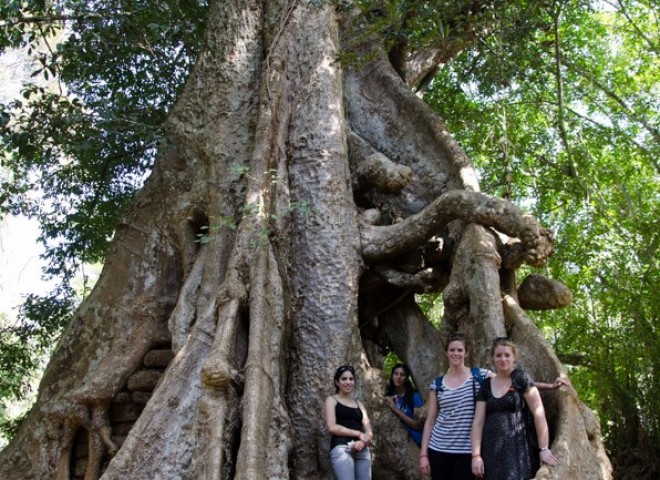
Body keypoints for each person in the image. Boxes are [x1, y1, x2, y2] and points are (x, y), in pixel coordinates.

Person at [470, 337, 570, 480]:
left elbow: (538, 413)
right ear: (492, 358)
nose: (503, 359)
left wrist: (544, 448)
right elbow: (478, 422)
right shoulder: (486, 385)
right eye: (498, 355)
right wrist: (476, 455)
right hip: (491, 449)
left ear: (514, 357)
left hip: (517, 448)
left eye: (507, 355)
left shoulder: (521, 378)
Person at [419, 333, 494, 480]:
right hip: (438, 448)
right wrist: (423, 454)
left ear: (466, 353)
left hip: (467, 451)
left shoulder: (480, 376)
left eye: (460, 350)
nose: (456, 353)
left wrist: (547, 385)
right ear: (446, 353)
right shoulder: (437, 384)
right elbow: (430, 421)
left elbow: (507, 382)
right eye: (452, 350)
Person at [325, 365, 374, 480]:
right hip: (342, 448)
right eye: (344, 379)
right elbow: (331, 427)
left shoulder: (359, 404)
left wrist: (364, 441)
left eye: (351, 379)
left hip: (362, 449)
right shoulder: (332, 400)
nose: (348, 382)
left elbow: (369, 431)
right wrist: (359, 434)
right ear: (337, 382)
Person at [385, 363, 424, 446]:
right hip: (398, 443)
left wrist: (396, 410)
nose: (398, 377)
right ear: (392, 376)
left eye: (402, 375)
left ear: (406, 379)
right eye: (396, 374)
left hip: (418, 442)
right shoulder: (389, 397)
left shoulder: (414, 396)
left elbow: (417, 425)